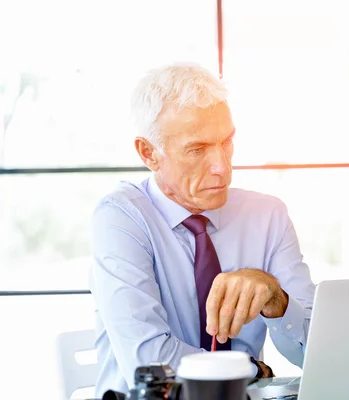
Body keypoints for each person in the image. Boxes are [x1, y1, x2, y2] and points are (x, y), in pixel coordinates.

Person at [89, 62, 316, 396]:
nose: (221, 167)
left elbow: (316, 353)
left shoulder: (268, 216)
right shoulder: (120, 217)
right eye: (197, 150)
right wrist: (252, 371)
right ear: (149, 153)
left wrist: (276, 298)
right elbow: (150, 364)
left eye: (226, 142)